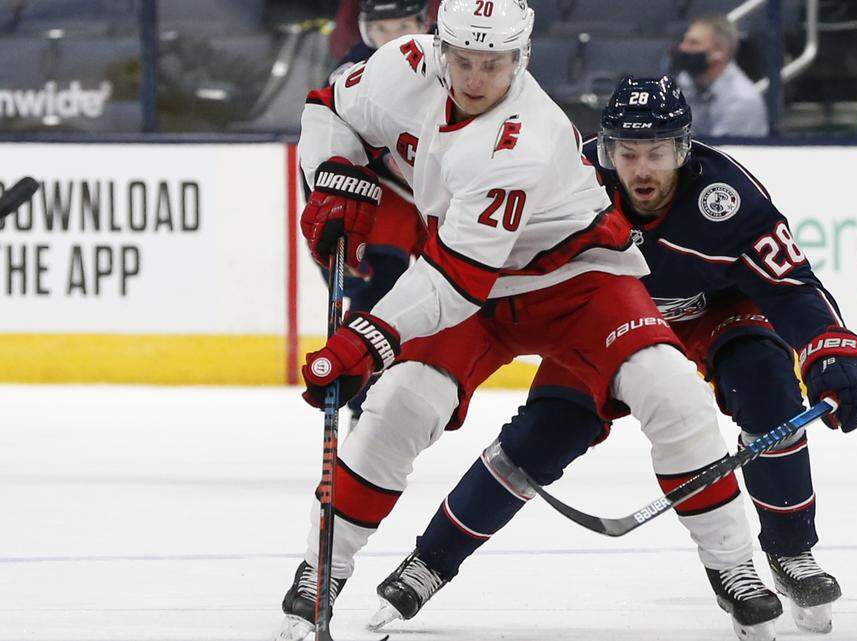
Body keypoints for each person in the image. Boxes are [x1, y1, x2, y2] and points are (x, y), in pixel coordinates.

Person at [276, 3, 773, 641]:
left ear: (523, 59)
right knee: (398, 405)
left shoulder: (523, 139)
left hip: (574, 279)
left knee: (672, 390)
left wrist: (364, 340)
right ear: (438, 51)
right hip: (468, 280)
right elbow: (326, 109)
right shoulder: (401, 66)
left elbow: (456, 282)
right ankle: (323, 569)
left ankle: (735, 568)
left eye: (496, 63)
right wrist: (332, 175)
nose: (478, 78)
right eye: (465, 61)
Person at [368, 76, 857, 637]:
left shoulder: (727, 198)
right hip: (602, 322)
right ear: (606, 149)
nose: (641, 170)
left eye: (658, 153)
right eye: (627, 153)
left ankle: (790, 552)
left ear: (683, 150)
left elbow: (789, 285)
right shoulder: (566, 176)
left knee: (768, 390)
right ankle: (430, 562)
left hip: (715, 314)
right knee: (542, 435)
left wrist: (832, 352)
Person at [322, 0, 432, 426]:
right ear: (366, 32)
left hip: (434, 200)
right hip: (383, 200)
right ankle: (361, 397)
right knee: (380, 289)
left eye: (404, 26)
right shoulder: (351, 74)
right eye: (383, 29)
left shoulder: (447, 63)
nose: (394, 38)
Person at [672, 14, 769, 138]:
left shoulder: (741, 100)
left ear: (719, 52)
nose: (682, 48)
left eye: (693, 43)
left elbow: (718, 155)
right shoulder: (684, 82)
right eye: (684, 41)